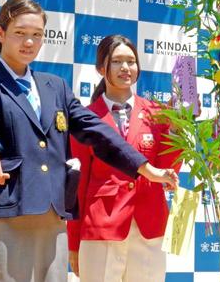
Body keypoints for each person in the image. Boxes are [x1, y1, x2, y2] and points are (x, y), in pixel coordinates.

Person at [0, 0, 178, 282]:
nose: (29, 42)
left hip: (52, 218)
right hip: (6, 213)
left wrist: (146, 168)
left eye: (37, 35)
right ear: (0, 34)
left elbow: (97, 132)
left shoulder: (55, 86)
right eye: (20, 33)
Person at [67, 35, 181, 282]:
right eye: (117, 61)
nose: (125, 68)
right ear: (101, 68)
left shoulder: (158, 113)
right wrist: (74, 241)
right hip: (101, 229)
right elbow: (77, 184)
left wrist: (176, 129)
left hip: (149, 228)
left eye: (131, 61)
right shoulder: (86, 119)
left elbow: (168, 170)